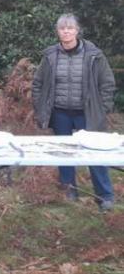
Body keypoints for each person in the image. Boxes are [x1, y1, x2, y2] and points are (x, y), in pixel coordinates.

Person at [32, 14, 116, 211]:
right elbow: (38, 83)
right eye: (62, 28)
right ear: (58, 32)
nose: (66, 31)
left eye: (70, 28)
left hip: (87, 114)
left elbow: (108, 84)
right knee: (65, 153)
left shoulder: (94, 54)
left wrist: (102, 109)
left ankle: (105, 196)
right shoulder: (50, 56)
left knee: (95, 154)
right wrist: (40, 106)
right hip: (60, 113)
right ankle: (69, 192)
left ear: (77, 31)